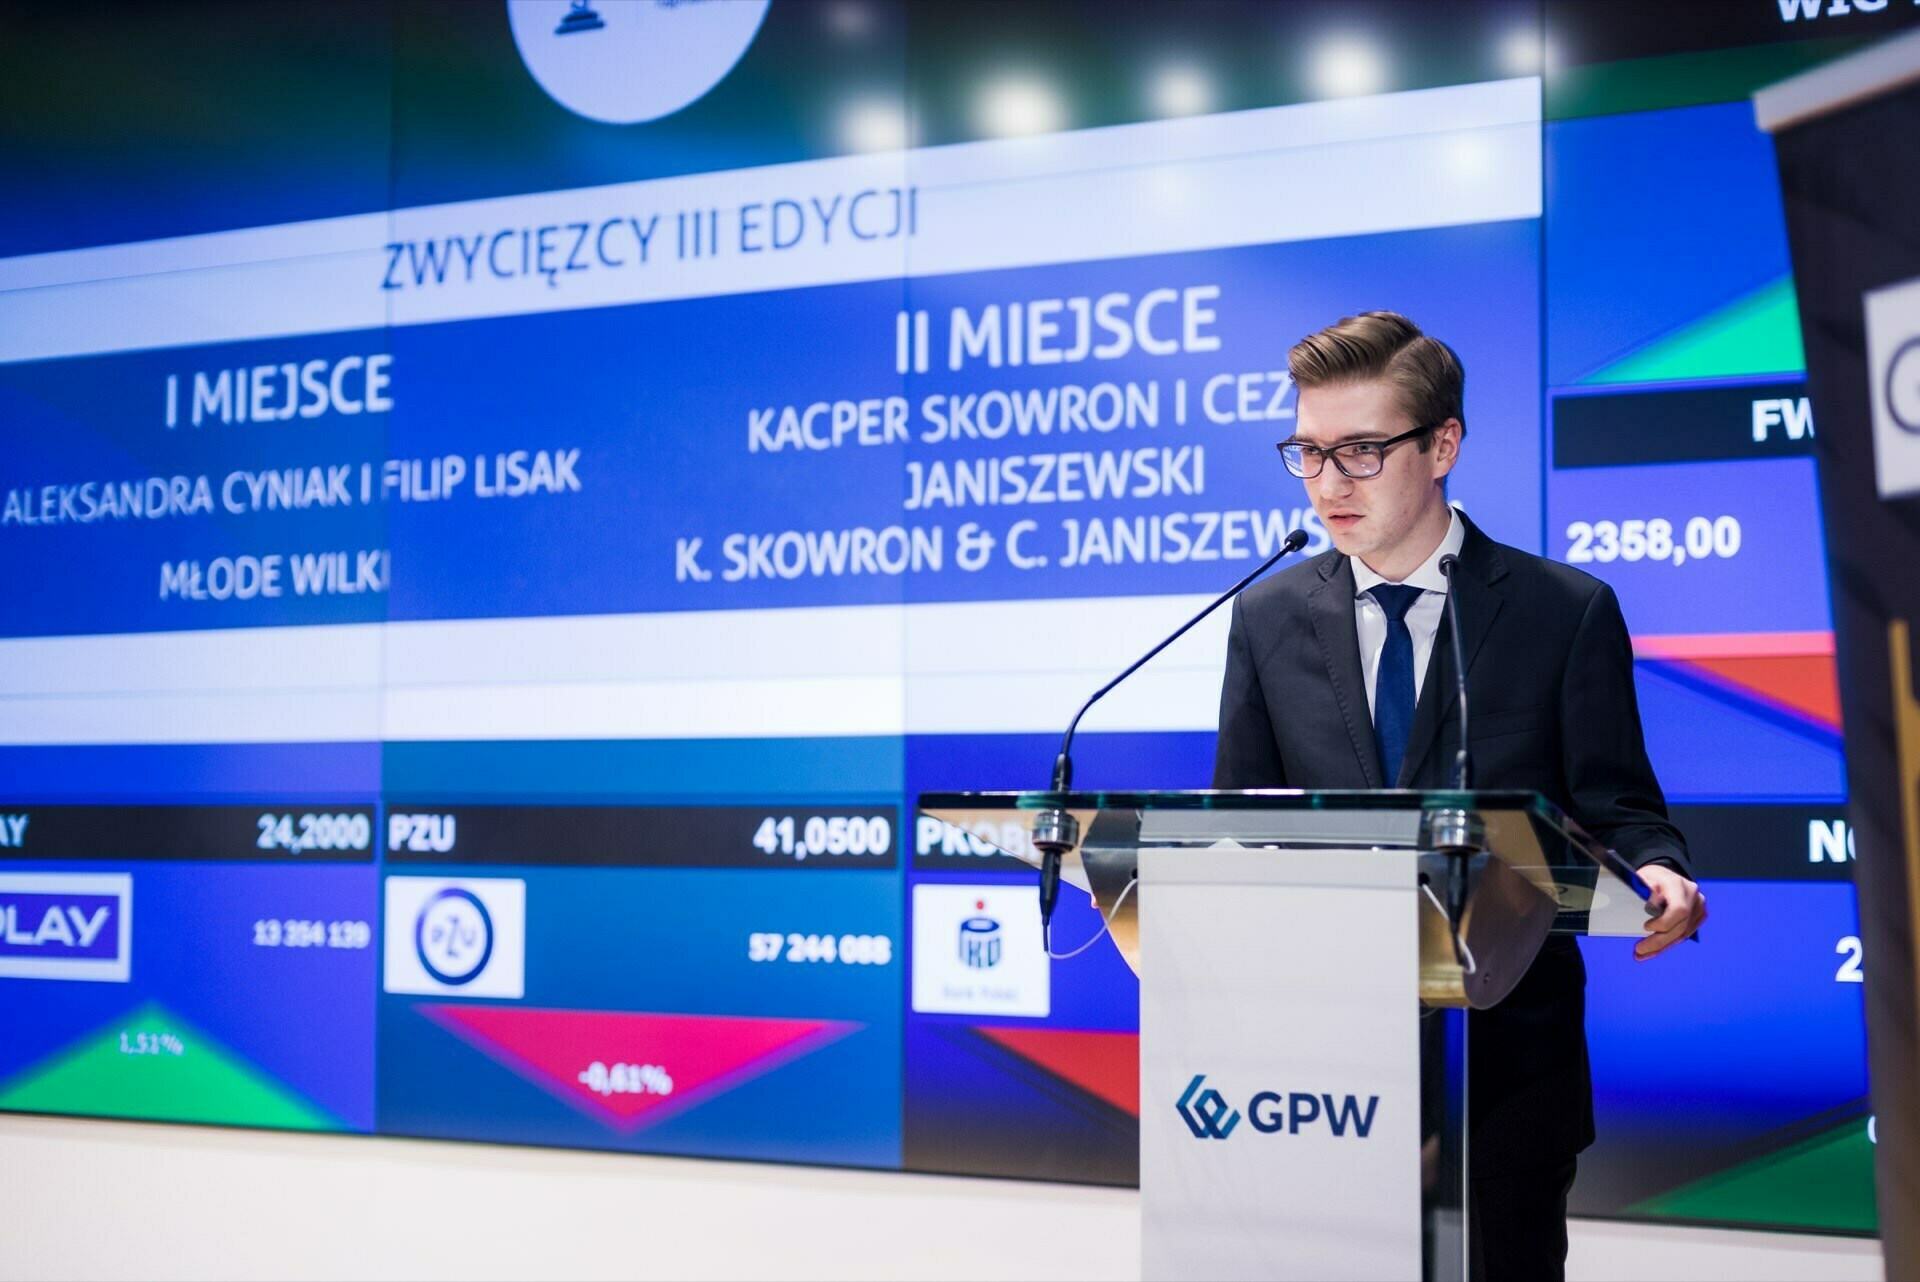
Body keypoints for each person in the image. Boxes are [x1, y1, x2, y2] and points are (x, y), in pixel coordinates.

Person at [1212, 311, 1708, 1282]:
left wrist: (1659, 871)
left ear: (1442, 445)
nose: (1328, 484)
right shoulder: (1268, 615)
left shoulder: (1563, 612)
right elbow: (1239, 824)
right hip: (1320, 1072)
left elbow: (1621, 806)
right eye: (1308, 453)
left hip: (1506, 1068)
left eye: (1359, 451)